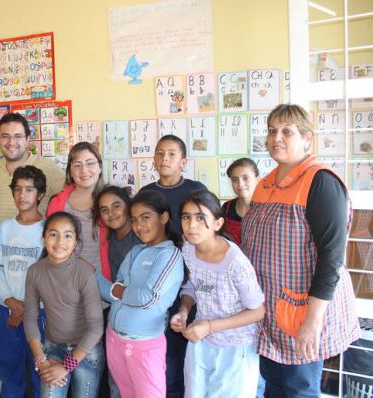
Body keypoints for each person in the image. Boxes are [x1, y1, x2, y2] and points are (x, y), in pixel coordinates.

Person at [241, 104, 360, 397]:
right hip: (271, 312)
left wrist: (313, 320)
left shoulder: (320, 182)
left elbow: (331, 257)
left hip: (302, 312)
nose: (276, 138)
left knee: (300, 389)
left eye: (287, 132)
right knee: (275, 386)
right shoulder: (265, 184)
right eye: (271, 131)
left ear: (307, 139)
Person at [171, 190, 265, 398]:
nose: (192, 225)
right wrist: (184, 311)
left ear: (218, 223)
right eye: (186, 217)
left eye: (200, 218)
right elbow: (191, 287)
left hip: (235, 348)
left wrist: (211, 326)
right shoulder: (187, 248)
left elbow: (258, 311)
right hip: (201, 341)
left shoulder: (235, 262)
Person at [98, 190, 184, 398]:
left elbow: (147, 298)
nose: (139, 226)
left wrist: (112, 287)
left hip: (144, 345)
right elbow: (116, 288)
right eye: (135, 220)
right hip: (114, 338)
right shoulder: (135, 251)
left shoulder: (170, 255)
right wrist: (117, 289)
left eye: (146, 218)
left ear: (163, 217)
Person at [139, 134, 206, 398]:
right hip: (158, 279)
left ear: (183, 161)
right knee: (163, 349)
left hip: (192, 280)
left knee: (188, 349)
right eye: (159, 153)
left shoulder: (196, 189)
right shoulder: (146, 194)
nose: (164, 159)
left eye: (171, 154)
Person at [24, 212, 104, 398]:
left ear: (76, 242)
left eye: (68, 235)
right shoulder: (35, 271)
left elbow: (96, 328)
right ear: (44, 238)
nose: (60, 241)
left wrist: (66, 366)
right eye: (53, 234)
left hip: (86, 351)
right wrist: (41, 360)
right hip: (53, 348)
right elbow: (29, 318)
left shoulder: (85, 273)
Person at [0, 166, 47, 398]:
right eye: (17, 189)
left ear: (40, 195)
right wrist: (11, 301)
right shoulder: (4, 228)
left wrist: (26, 307)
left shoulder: (48, 230)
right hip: (6, 311)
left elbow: (48, 273)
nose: (22, 195)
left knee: (41, 369)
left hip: (40, 312)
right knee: (9, 368)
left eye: (29, 190)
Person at [93, 185, 142, 398]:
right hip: (117, 321)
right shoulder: (111, 238)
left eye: (116, 206)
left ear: (128, 205)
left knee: (138, 384)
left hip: (140, 326)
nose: (111, 213)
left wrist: (91, 273)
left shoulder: (140, 237)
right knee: (117, 383)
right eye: (104, 209)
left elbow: (129, 291)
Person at [0, 112, 65, 232]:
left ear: (28, 139)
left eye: (18, 136)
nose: (11, 142)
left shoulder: (49, 168)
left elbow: (70, 200)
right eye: (5, 136)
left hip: (34, 247)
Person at [46, 142, 111, 280]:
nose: (84, 170)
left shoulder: (112, 202)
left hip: (100, 287)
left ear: (99, 167)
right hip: (62, 283)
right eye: (77, 165)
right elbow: (48, 244)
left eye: (90, 163)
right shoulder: (57, 203)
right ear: (70, 171)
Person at [221, 158, 260, 245]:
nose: (240, 184)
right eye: (235, 180)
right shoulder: (226, 207)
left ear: (257, 180)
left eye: (245, 178)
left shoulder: (265, 209)